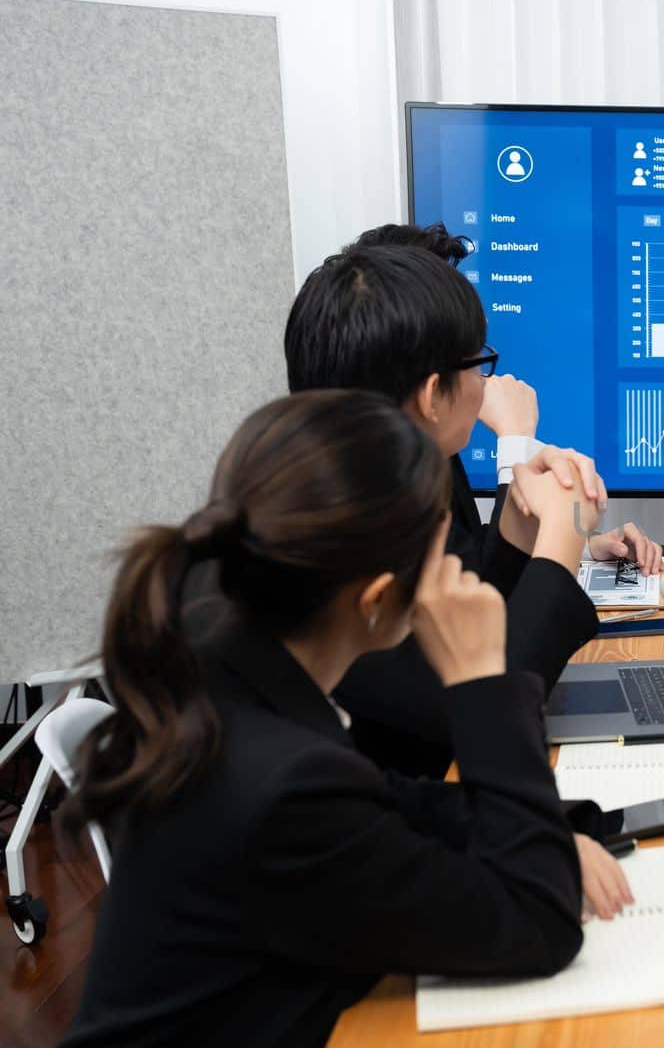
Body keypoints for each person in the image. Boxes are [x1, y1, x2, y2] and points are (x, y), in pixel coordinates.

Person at [63, 391, 634, 1047]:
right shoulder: (282, 786)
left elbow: (385, 807)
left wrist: (554, 836)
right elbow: (538, 921)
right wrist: (482, 680)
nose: (453, 572)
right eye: (444, 553)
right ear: (376, 599)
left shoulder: (220, 643)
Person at [283, 242, 648, 777]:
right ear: (433, 395)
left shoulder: (353, 492)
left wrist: (520, 528)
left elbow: (474, 625)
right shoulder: (338, 546)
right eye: (479, 364)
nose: (486, 384)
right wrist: (558, 541)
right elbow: (485, 702)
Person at [346, 222, 664, 575]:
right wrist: (515, 441)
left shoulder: (420, 444)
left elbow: (468, 555)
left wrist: (584, 547)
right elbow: (486, 612)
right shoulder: (379, 486)